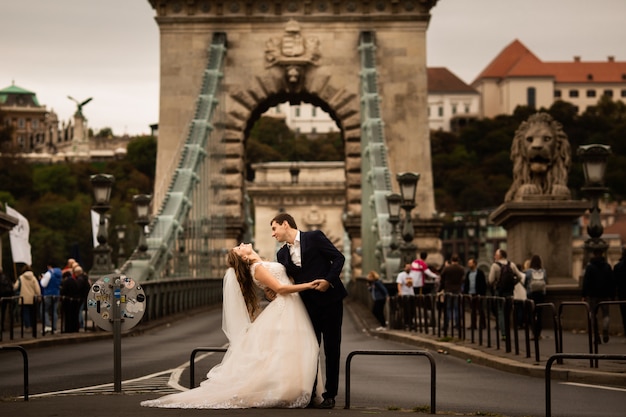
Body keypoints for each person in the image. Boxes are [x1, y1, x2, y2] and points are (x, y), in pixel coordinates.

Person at [142, 243, 324, 409]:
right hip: (285, 309)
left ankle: (290, 389)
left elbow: (280, 284)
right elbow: (281, 289)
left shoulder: (263, 263)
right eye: (238, 248)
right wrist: (308, 285)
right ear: (244, 258)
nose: (241, 244)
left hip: (290, 307)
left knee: (293, 350)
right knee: (289, 350)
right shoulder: (257, 268)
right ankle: (285, 391)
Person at [271, 212, 346, 409]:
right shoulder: (281, 255)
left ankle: (330, 394)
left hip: (331, 301)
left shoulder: (314, 237)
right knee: (310, 349)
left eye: (274, 228)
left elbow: (339, 258)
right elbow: (287, 282)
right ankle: (311, 393)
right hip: (307, 305)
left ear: (285, 224)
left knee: (331, 348)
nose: (273, 234)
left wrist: (328, 281)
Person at [488, 249, 525, 340]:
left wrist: (496, 285)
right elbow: (520, 276)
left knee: (501, 312)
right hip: (509, 292)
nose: (494, 256)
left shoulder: (495, 266)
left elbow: (490, 280)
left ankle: (504, 334)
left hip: (499, 292)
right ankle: (508, 332)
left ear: (499, 256)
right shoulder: (511, 264)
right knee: (508, 312)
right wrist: (513, 283)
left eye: (496, 255)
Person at [582, 248, 615, 344]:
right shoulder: (607, 267)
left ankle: (596, 336)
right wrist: (612, 295)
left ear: (594, 254)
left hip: (593, 296)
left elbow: (586, 282)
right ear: (602, 254)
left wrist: (584, 295)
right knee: (606, 314)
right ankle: (605, 330)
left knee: (593, 315)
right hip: (604, 295)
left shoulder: (590, 267)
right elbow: (612, 282)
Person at [439, 254, 466, 333]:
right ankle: (457, 324)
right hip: (457, 289)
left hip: (448, 289)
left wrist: (442, 288)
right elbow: (462, 278)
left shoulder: (447, 268)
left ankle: (446, 324)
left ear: (451, 260)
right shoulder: (461, 269)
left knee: (448, 308)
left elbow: (442, 277)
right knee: (457, 308)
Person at [525, 254, 547, 339]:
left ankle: (533, 332)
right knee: (540, 314)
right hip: (541, 294)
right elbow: (545, 280)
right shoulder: (543, 271)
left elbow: (525, 282)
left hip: (531, 294)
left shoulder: (529, 271)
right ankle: (539, 333)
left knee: (531, 313)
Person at [14, 265, 41, 329]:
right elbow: (37, 288)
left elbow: (15, 287)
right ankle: (32, 325)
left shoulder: (20, 277)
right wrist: (39, 296)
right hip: (32, 298)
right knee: (32, 312)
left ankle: (27, 326)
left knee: (25, 312)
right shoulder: (33, 278)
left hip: (23, 298)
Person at [463, 258, 487, 330]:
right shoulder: (468, 273)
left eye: (470, 263)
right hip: (470, 293)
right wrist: (466, 293)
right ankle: (473, 325)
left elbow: (483, 284)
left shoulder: (480, 273)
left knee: (480, 309)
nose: (469, 264)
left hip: (478, 293)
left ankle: (482, 324)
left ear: (475, 264)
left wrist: (483, 294)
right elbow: (466, 284)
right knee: (472, 310)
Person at [40, 264, 62, 334]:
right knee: (54, 311)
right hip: (56, 294)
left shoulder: (48, 273)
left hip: (48, 294)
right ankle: (54, 327)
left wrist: (42, 279)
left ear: (49, 266)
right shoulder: (59, 273)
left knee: (43, 309)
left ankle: (48, 326)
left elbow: (43, 284)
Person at [396, 263, 416, 330]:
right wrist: (400, 292)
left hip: (411, 293)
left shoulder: (413, 275)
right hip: (404, 294)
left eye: (409, 267)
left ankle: (411, 322)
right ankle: (406, 323)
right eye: (407, 267)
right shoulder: (401, 275)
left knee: (412, 309)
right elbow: (399, 284)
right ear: (404, 268)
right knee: (406, 309)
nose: (408, 268)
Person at [613, 246, 626, 338]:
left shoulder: (618, 266)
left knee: (625, 316)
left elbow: (614, 282)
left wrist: (613, 295)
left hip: (623, 294)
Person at [74, 265, 91, 330]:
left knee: (79, 311)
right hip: (85, 296)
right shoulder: (85, 278)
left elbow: (78, 288)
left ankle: (80, 324)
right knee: (80, 310)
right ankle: (81, 324)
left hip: (81, 297)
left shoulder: (80, 279)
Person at [0, 267, 14, 332]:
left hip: (2, 297)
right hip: (7, 297)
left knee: (2, 312)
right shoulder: (6, 277)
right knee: (5, 312)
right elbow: (11, 286)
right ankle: (5, 326)